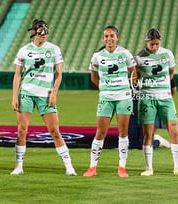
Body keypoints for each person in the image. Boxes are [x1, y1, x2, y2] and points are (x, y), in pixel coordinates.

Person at [10, 19, 76, 176]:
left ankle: (69, 166)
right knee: (22, 130)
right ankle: (19, 166)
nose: (44, 35)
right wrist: (14, 97)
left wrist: (54, 92)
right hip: (26, 93)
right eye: (41, 32)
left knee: (54, 130)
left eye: (46, 32)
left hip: (45, 95)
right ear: (34, 32)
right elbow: (17, 75)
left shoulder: (54, 49)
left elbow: (59, 74)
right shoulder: (24, 50)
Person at [83, 26, 137, 178]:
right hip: (106, 98)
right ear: (103, 38)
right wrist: (103, 88)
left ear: (117, 37)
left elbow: (133, 73)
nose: (109, 39)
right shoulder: (97, 56)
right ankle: (92, 168)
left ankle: (122, 168)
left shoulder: (125, 53)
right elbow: (93, 77)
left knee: (123, 132)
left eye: (112, 36)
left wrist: (129, 88)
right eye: (106, 36)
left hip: (123, 97)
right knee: (100, 132)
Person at [134, 28, 178, 177]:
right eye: (152, 44)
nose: (155, 47)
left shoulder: (167, 54)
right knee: (148, 133)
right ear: (146, 42)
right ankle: (148, 168)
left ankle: (177, 167)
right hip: (147, 98)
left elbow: (171, 72)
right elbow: (134, 76)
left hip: (165, 98)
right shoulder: (138, 57)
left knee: (174, 129)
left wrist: (166, 85)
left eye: (157, 44)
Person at [128, 79, 175, 150]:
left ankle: (159, 141)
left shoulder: (149, 75)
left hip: (145, 112)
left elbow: (173, 90)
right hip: (132, 114)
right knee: (132, 146)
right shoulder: (128, 75)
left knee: (142, 144)